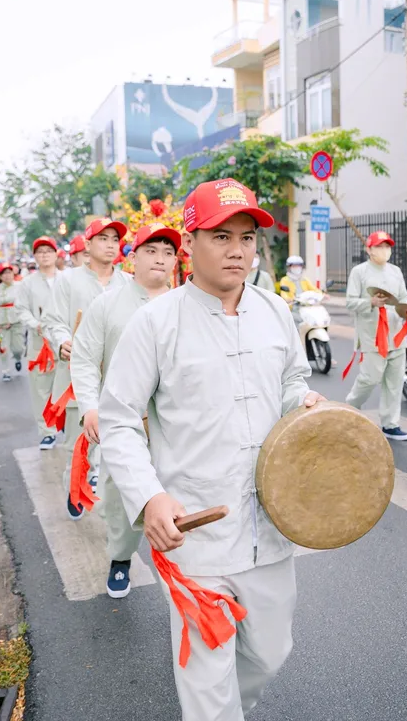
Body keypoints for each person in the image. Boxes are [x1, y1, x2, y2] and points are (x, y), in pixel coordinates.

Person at [99, 178, 322, 721]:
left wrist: (304, 401)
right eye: (222, 237)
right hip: (194, 531)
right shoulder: (155, 322)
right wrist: (149, 498)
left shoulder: (273, 312)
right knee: (205, 675)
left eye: (246, 238)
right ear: (190, 242)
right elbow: (119, 418)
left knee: (271, 654)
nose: (237, 251)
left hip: (270, 527)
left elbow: (293, 376)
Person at [72, 223, 180, 598]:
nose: (160, 259)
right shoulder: (108, 304)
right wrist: (90, 406)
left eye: (168, 252)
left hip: (174, 425)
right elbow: (85, 359)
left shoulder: (185, 304)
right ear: (133, 257)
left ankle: (185, 565)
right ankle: (121, 557)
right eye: (152, 250)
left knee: (178, 487)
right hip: (126, 422)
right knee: (120, 494)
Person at [43, 217, 131, 517]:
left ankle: (103, 482)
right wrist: (62, 341)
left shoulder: (128, 282)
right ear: (88, 244)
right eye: (103, 238)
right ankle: (76, 485)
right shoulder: (67, 281)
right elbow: (52, 320)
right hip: (77, 375)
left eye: (114, 239)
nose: (109, 245)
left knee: (116, 434)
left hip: (118, 375)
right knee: (78, 438)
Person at [345, 231, 407, 441]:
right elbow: (350, 302)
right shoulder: (359, 272)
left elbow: (403, 298)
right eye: (379, 246)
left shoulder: (396, 271)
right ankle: (349, 409)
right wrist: (370, 303)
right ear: (369, 249)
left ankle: (390, 423)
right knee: (369, 378)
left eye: (387, 246)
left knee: (395, 380)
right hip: (371, 335)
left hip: (396, 335)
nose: (384, 250)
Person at [15, 236, 62, 450]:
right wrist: (36, 324)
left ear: (56, 254)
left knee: (66, 389)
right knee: (41, 391)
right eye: (40, 251)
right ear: (35, 256)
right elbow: (21, 309)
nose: (44, 255)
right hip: (39, 344)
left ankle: (67, 428)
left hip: (65, 345)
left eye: (48, 251)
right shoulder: (27, 283)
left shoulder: (66, 280)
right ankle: (47, 432)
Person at [0, 262, 26, 382]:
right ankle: (6, 371)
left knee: (18, 348)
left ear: (13, 273)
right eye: (4, 273)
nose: (7, 276)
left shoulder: (20, 286)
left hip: (17, 322)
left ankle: (17, 359)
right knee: (3, 348)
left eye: (9, 272)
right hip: (1, 324)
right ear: (0, 276)